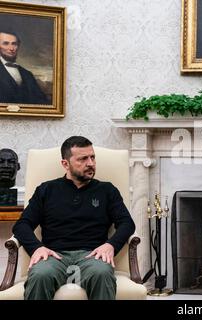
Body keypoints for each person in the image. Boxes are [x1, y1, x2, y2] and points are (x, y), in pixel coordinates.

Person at [12, 136, 136, 300]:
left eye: (92, 157)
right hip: (54, 257)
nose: (91, 163)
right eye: (83, 159)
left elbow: (127, 223)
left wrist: (110, 245)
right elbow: (22, 225)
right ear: (65, 164)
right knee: (40, 274)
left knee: (101, 273)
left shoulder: (107, 190)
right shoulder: (47, 190)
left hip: (92, 256)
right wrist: (37, 248)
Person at [0, 30, 49, 105]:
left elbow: (42, 102)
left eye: (14, 44)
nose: (11, 48)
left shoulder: (28, 74)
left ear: (18, 46)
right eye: (6, 43)